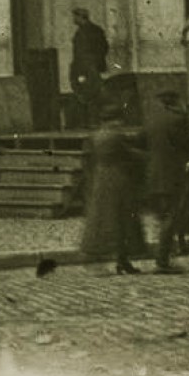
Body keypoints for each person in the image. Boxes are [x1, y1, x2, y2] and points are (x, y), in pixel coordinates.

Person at [80, 100, 145, 275]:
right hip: (118, 179)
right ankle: (122, 260)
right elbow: (128, 154)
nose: (121, 123)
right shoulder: (116, 135)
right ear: (115, 120)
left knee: (105, 219)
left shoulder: (96, 136)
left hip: (101, 179)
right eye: (119, 120)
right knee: (123, 220)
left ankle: (117, 260)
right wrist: (147, 156)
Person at [143, 88, 189, 273]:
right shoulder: (179, 119)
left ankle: (165, 255)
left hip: (153, 175)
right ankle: (162, 262)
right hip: (172, 176)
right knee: (171, 217)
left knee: (162, 216)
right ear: (175, 101)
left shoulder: (151, 120)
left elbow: (142, 142)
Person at [69, 8, 110, 125]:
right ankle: (92, 122)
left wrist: (90, 64)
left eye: (75, 17)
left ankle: (91, 122)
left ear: (81, 17)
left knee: (88, 94)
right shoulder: (95, 30)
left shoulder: (84, 32)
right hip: (91, 68)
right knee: (91, 93)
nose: (74, 19)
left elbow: (81, 53)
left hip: (86, 69)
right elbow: (105, 47)